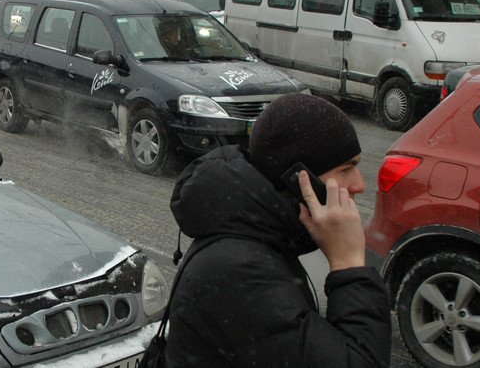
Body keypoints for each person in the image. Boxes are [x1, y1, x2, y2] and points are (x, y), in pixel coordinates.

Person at [164, 93, 391, 367]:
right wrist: (349, 266)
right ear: (297, 180)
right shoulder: (237, 271)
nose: (360, 185)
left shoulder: (260, 237)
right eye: (346, 169)